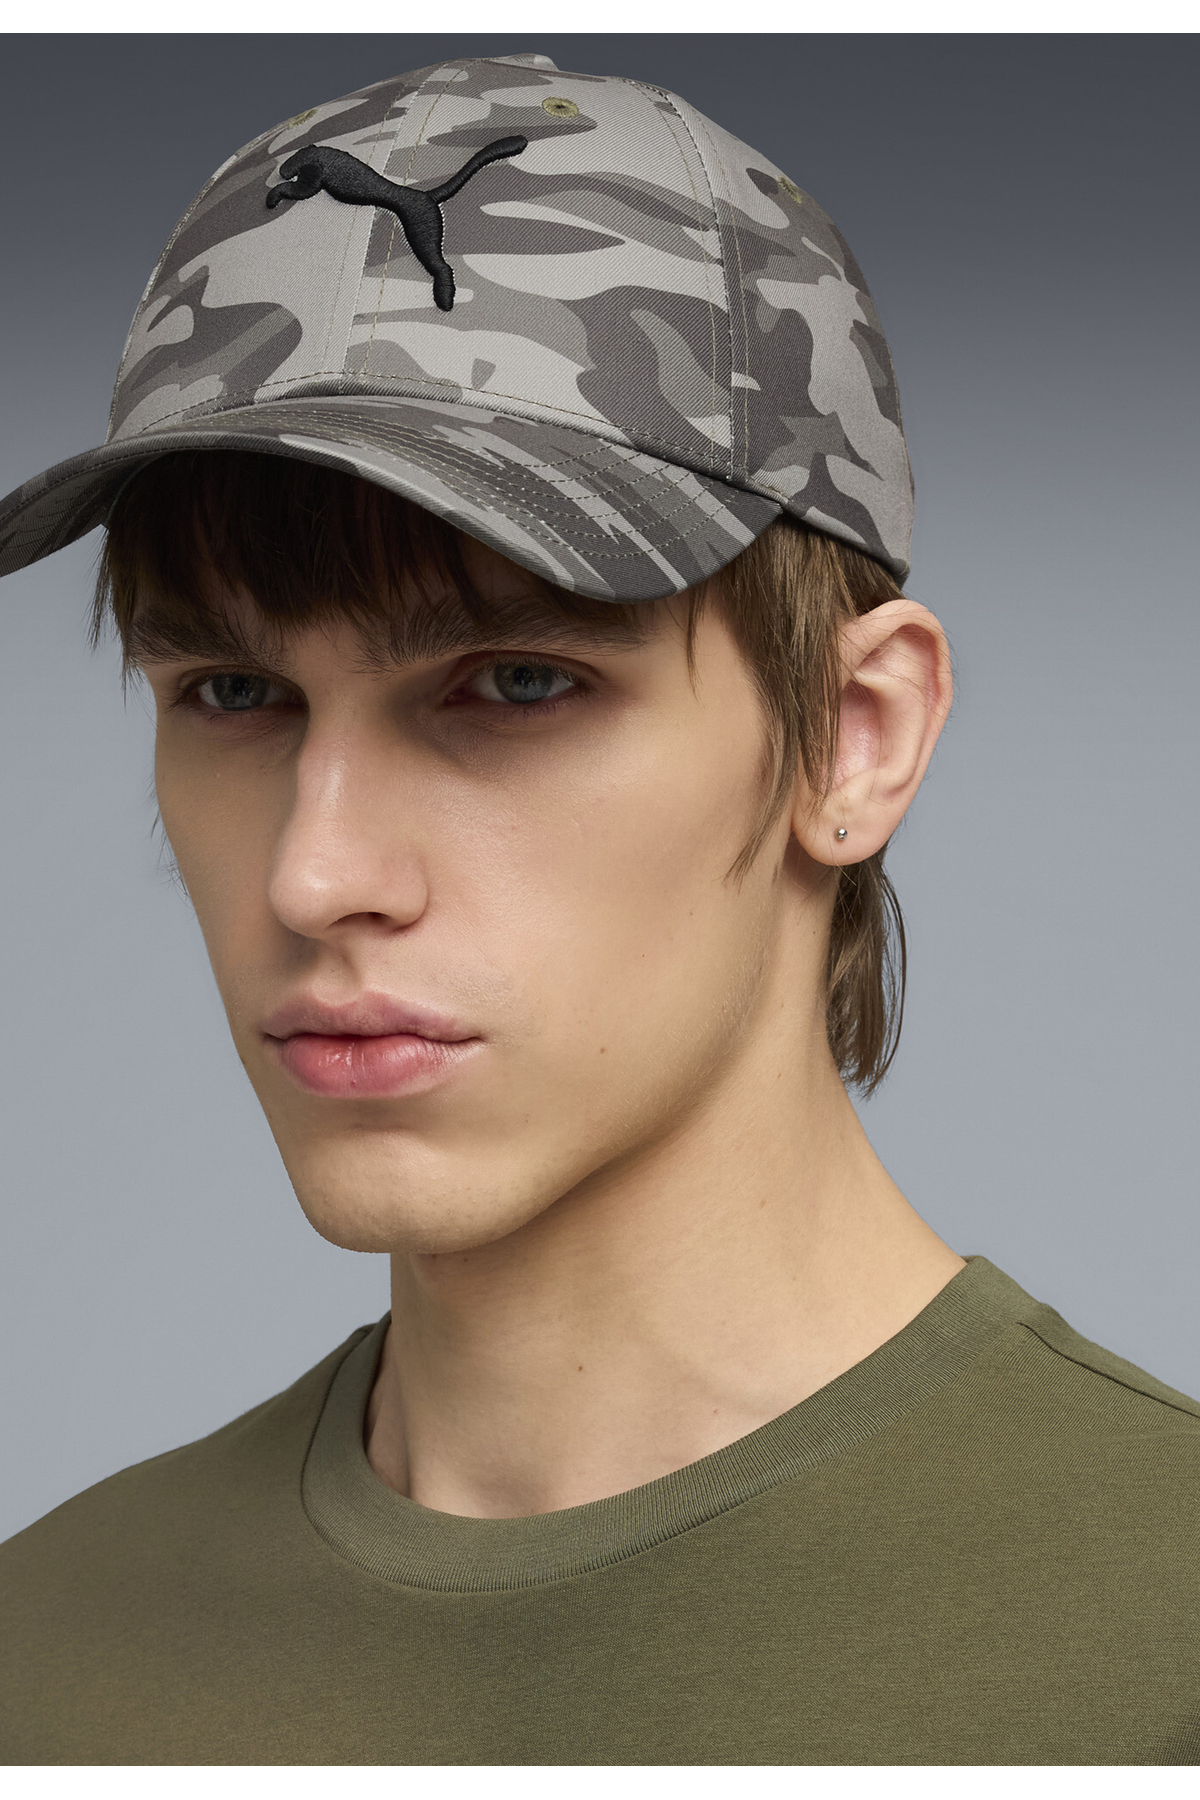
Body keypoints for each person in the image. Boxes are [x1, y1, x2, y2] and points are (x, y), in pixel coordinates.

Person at [0, 50, 1196, 1768]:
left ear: (854, 738)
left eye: (514, 682)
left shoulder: (1161, 1638)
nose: (314, 876)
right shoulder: (47, 1650)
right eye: (235, 694)